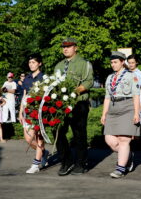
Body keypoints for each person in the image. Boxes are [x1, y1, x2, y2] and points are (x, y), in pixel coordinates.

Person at [54, 37, 94, 176]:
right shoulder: (58, 66)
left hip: (78, 103)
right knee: (58, 132)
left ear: (75, 48)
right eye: (64, 46)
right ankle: (66, 160)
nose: (66, 49)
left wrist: (73, 92)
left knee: (79, 134)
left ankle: (81, 163)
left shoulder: (84, 63)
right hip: (61, 105)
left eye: (69, 46)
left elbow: (89, 81)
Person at [101, 51, 140, 178]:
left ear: (122, 62)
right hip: (112, 109)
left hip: (127, 107)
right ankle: (127, 155)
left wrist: (136, 113)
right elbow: (107, 97)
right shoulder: (109, 77)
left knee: (124, 140)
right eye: (111, 62)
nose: (113, 65)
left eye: (115, 62)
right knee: (110, 140)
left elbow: (136, 95)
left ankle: (120, 168)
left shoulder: (131, 76)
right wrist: (104, 114)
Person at [18, 54, 49, 174]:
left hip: (40, 111)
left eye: (34, 62)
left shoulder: (44, 77)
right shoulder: (27, 78)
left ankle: (36, 164)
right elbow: (24, 95)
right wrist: (21, 112)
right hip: (28, 111)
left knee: (39, 137)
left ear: (39, 63)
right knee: (28, 139)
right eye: (30, 62)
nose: (31, 64)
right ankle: (43, 152)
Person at [127, 54, 141, 135]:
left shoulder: (140, 74)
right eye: (129, 63)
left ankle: (138, 142)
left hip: (138, 100)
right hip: (128, 101)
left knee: (139, 122)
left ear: (136, 63)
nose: (131, 64)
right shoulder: (125, 73)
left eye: (132, 62)